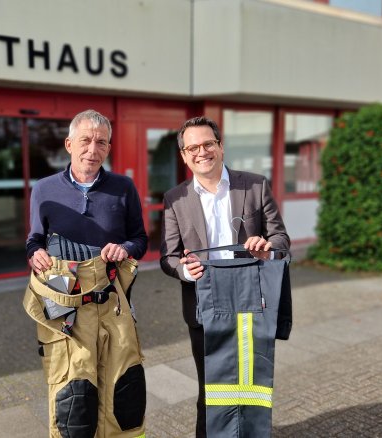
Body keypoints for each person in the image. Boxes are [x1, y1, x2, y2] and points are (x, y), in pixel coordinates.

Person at [159, 116, 290, 437]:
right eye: (192, 147)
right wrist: (184, 270)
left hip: (251, 304)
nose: (201, 152)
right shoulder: (175, 199)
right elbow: (168, 257)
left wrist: (267, 248)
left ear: (220, 147)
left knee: (253, 386)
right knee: (212, 390)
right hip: (205, 307)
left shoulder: (255, 185)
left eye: (208, 144)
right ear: (184, 155)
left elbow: (282, 240)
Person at [23, 109, 149, 438]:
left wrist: (127, 249)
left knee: (124, 389)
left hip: (113, 298)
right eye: (85, 140)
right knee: (73, 395)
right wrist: (34, 253)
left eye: (101, 142)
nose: (92, 149)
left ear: (108, 148)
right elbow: (34, 239)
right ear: (68, 144)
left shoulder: (123, 187)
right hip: (65, 301)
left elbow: (140, 239)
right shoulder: (44, 189)